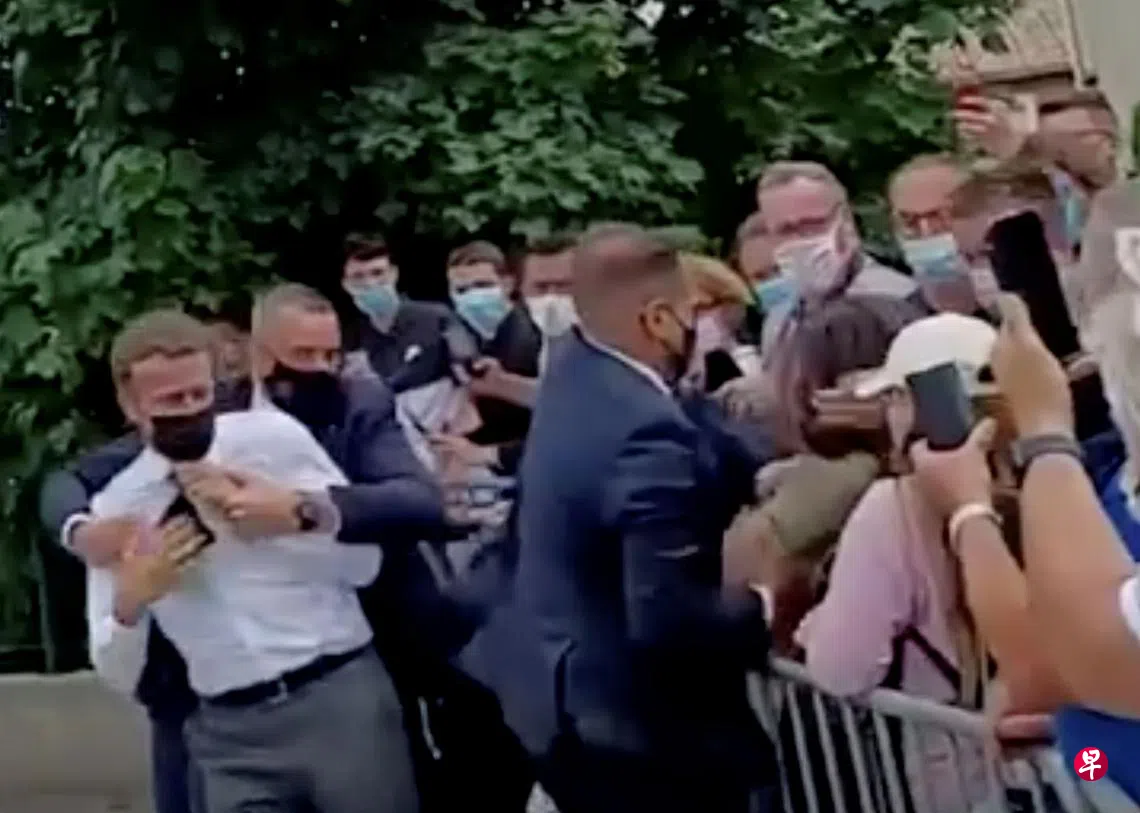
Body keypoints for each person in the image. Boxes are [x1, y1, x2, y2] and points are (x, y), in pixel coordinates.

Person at [39, 285, 453, 813]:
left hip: (338, 697)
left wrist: (290, 520)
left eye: (199, 394)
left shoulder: (272, 440)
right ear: (132, 406)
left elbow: (364, 566)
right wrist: (132, 601)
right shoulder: (119, 507)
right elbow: (117, 670)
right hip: (229, 733)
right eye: (170, 402)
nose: (190, 411)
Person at [493, 224, 779, 813]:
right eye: (690, 311)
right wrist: (765, 603)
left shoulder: (574, 376)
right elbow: (667, 616)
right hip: (646, 744)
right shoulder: (645, 429)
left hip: (568, 707)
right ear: (657, 319)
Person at [756, 160, 916, 358]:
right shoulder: (779, 323)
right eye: (785, 230)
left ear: (846, 219)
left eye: (812, 224)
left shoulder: (899, 298)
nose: (800, 240)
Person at [342, 233, 455, 392]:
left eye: (377, 273)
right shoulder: (350, 340)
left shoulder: (436, 319)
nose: (370, 283)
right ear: (346, 285)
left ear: (394, 273)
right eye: (358, 277)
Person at [888, 153, 989, 318]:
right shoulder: (896, 323)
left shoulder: (1029, 306)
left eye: (941, 217)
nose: (926, 232)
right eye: (909, 221)